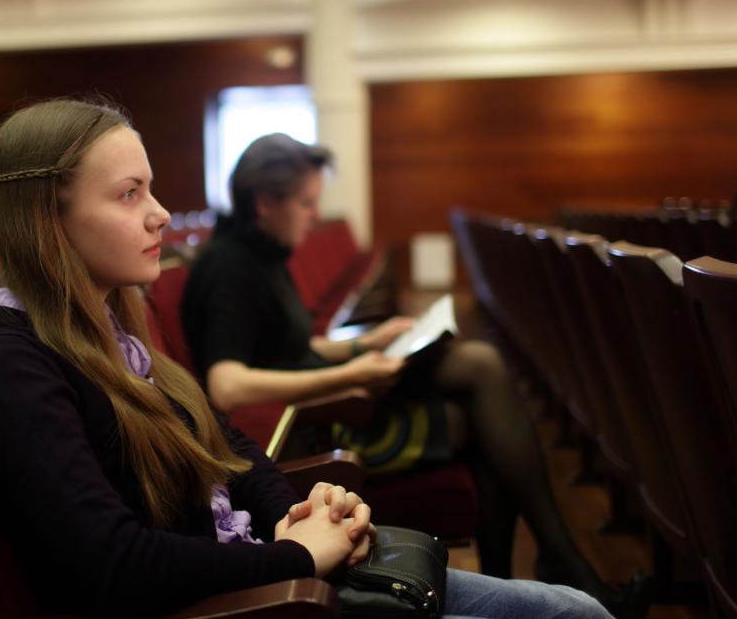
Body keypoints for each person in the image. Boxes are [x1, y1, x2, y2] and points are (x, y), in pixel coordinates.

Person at [0, 98, 610, 619]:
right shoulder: (12, 366)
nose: (160, 215)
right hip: (240, 597)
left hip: (257, 569)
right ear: (49, 217)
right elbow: (114, 565)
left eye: (151, 190)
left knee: (570, 608)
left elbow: (223, 439)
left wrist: (288, 511)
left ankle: (563, 561)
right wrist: (296, 555)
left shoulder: (108, 329)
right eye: (130, 193)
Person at [182, 133, 642, 616]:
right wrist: (351, 374)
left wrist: (367, 342)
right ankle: (555, 563)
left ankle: (542, 566)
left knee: (480, 393)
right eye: (306, 203)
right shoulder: (227, 266)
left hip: (334, 400)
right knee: (479, 388)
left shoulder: (263, 255)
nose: (316, 215)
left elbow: (289, 349)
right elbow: (228, 383)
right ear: (264, 203)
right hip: (323, 425)